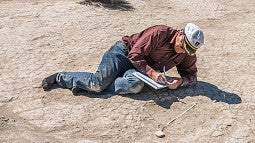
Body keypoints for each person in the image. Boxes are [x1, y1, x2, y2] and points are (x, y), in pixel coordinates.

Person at [41, 23, 204, 95]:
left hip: (138, 70)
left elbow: (192, 77)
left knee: (136, 86)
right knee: (97, 83)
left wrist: (180, 82)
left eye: (189, 50)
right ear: (180, 34)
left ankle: (87, 86)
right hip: (122, 54)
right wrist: (153, 73)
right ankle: (60, 77)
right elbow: (134, 55)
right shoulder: (160, 33)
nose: (183, 51)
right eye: (183, 45)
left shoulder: (186, 53)